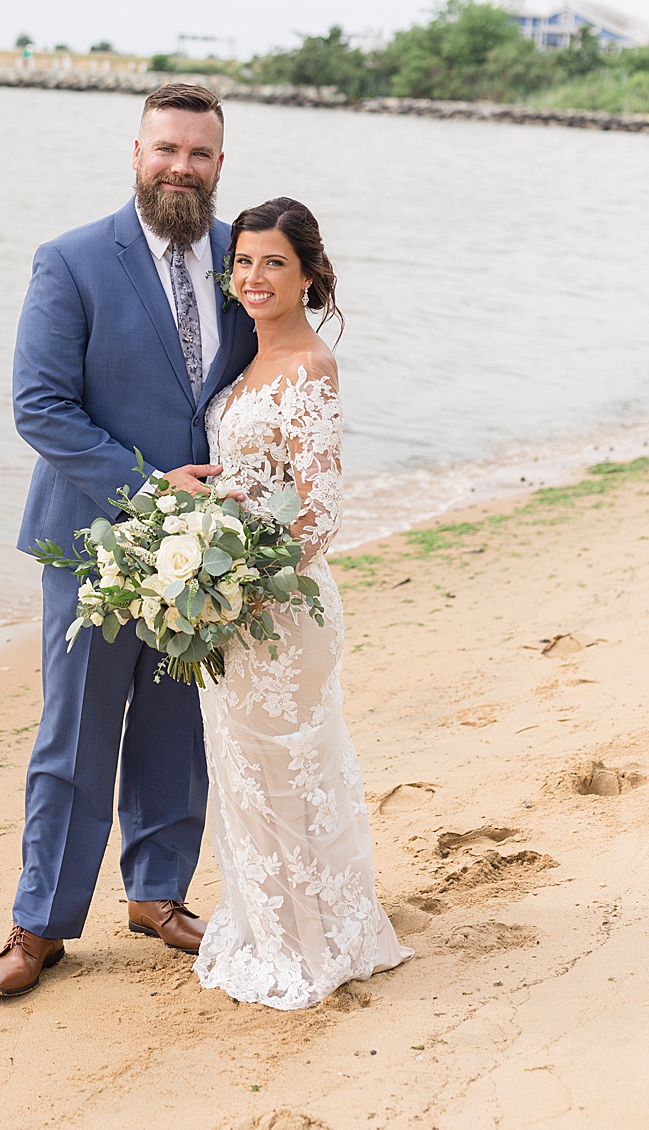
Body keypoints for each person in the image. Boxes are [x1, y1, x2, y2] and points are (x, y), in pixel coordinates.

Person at [0, 82, 258, 998]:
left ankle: (159, 894)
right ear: (134, 152)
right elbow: (41, 408)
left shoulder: (242, 260)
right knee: (76, 734)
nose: (182, 167)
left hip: (210, 549)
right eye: (166, 150)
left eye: (200, 154)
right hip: (94, 540)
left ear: (221, 165)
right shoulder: (70, 262)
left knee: (180, 731)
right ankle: (40, 926)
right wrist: (148, 493)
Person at [194, 196, 411, 1007]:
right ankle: (272, 925)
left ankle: (314, 942)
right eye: (244, 261)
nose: (254, 277)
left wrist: (243, 584)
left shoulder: (310, 367)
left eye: (273, 263)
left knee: (289, 769)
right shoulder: (244, 360)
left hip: (278, 610)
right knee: (248, 770)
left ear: (309, 275)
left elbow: (319, 512)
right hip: (230, 604)